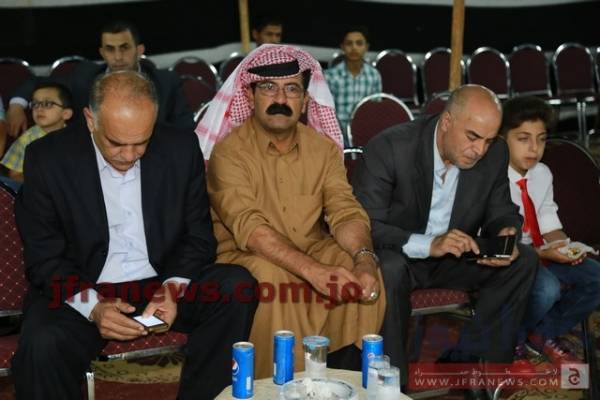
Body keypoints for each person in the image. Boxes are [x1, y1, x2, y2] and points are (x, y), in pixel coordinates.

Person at [12, 71, 257, 400]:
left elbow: (199, 237)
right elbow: (44, 257)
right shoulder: (48, 158)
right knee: (42, 342)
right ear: (90, 120)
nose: (129, 155)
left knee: (236, 286)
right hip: (82, 284)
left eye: (141, 142)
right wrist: (94, 307)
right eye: (116, 143)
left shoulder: (180, 147)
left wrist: (172, 289)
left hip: (160, 281)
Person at [198, 44, 386, 379]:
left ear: (305, 100)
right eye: (269, 88)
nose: (280, 99)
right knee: (273, 278)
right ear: (249, 95)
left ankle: (345, 379)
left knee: (358, 271)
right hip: (247, 254)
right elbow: (251, 229)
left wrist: (364, 258)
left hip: (310, 247)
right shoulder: (228, 153)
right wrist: (313, 271)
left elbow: (344, 211)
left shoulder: (323, 149)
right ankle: (275, 384)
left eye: (292, 89)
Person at [353, 85, 538, 399]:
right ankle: (391, 387)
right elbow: (365, 224)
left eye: (488, 140)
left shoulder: (494, 152)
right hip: (399, 256)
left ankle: (480, 370)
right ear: (448, 121)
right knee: (388, 268)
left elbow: (501, 210)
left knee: (524, 260)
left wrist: (506, 232)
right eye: (473, 137)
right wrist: (429, 244)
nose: (480, 150)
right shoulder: (391, 148)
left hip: (454, 256)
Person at [500, 96, 600, 365]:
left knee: (596, 278)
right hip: (511, 258)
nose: (534, 148)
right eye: (523, 139)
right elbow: (499, 246)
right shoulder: (493, 180)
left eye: (541, 139)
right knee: (547, 289)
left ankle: (541, 334)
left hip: (542, 253)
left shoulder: (542, 173)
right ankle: (513, 339)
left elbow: (548, 222)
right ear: (502, 139)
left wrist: (565, 247)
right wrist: (543, 253)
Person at [5, 20, 194, 136]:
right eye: (110, 49)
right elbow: (37, 82)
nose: (118, 57)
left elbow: (184, 129)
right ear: (102, 53)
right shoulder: (84, 77)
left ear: (139, 50)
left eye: (124, 48)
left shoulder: (166, 81)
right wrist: (16, 106)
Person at [1, 82, 73, 186]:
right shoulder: (27, 139)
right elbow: (15, 175)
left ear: (66, 114)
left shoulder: (76, 138)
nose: (39, 109)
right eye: (35, 104)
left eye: (47, 104)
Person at [324, 26, 382, 147]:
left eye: (359, 43)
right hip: (335, 136)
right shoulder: (330, 76)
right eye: (349, 43)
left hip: (365, 133)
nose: (354, 47)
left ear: (366, 47)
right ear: (342, 47)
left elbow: (375, 111)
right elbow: (325, 114)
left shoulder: (374, 75)